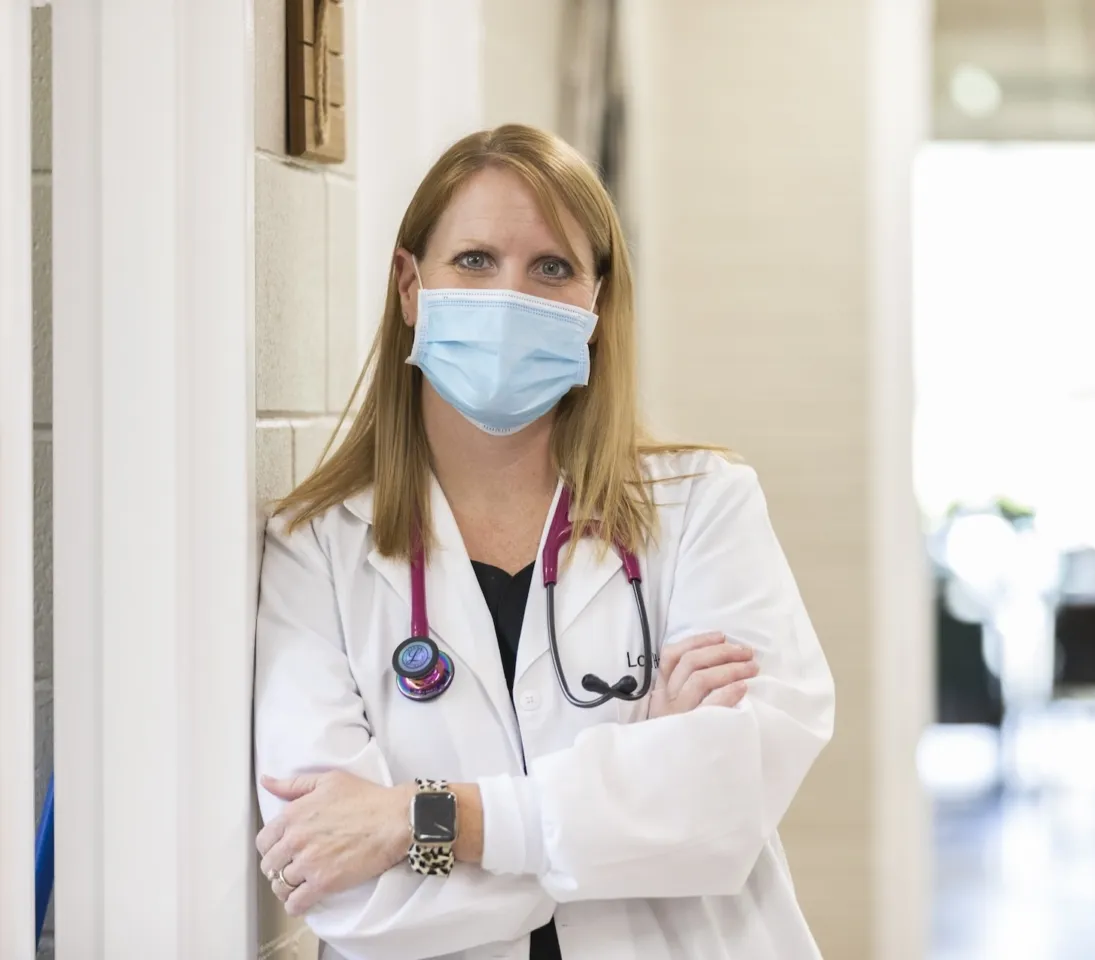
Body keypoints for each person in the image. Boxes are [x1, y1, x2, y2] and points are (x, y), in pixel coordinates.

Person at [253, 125, 835, 960]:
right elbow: (343, 885)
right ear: (411, 286)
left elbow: (724, 812)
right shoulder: (316, 548)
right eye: (475, 261)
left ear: (597, 306)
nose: (510, 296)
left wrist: (420, 818)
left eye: (552, 268)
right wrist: (635, 793)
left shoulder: (705, 506)